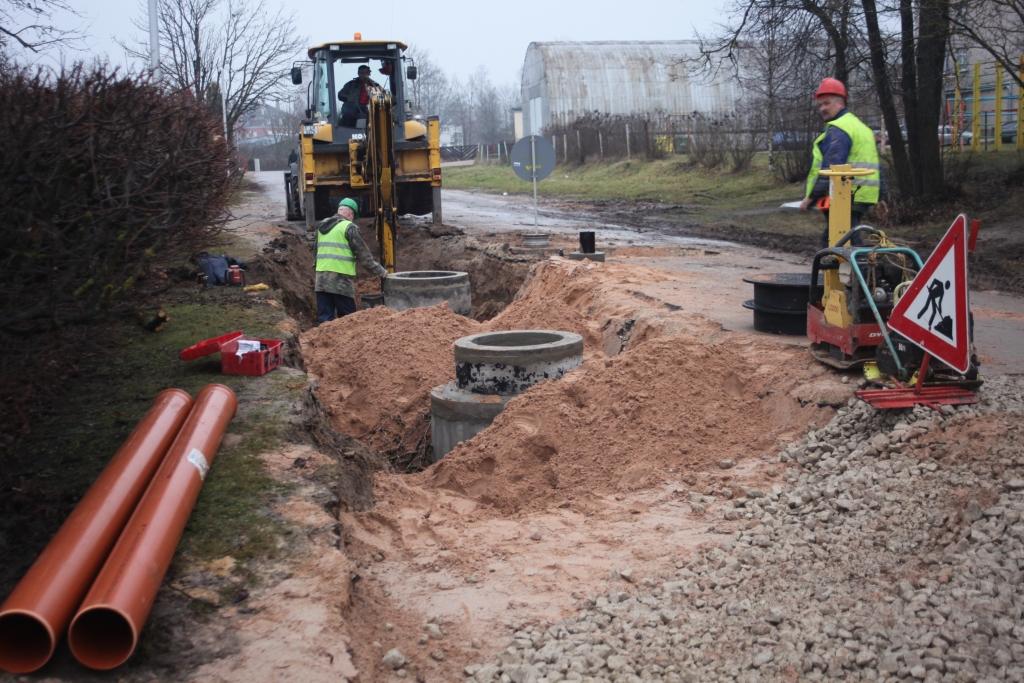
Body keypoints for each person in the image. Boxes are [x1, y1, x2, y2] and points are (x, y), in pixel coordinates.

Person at [799, 77, 881, 248]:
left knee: (837, 244)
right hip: (861, 194)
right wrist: (883, 194)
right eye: (820, 105)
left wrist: (810, 198)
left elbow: (831, 169)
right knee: (844, 240)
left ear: (840, 102)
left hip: (845, 195)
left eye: (826, 103)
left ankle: (862, 272)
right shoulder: (860, 127)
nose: (822, 109)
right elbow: (876, 164)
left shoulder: (839, 129)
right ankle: (863, 272)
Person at [314, 197, 387, 324]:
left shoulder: (321, 226)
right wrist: (382, 272)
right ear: (350, 213)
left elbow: (315, 252)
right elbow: (364, 257)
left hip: (321, 280)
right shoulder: (349, 227)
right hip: (340, 281)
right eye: (353, 215)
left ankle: (327, 344)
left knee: (325, 322)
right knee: (348, 322)